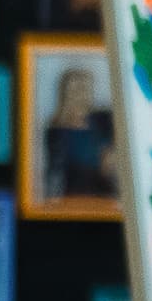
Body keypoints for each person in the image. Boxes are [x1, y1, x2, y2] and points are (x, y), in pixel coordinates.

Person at [40, 65, 117, 202]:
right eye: (76, 90)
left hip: (106, 194)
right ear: (66, 93)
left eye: (86, 89)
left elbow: (113, 158)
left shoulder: (104, 120)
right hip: (73, 196)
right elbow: (54, 171)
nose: (82, 95)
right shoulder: (57, 131)